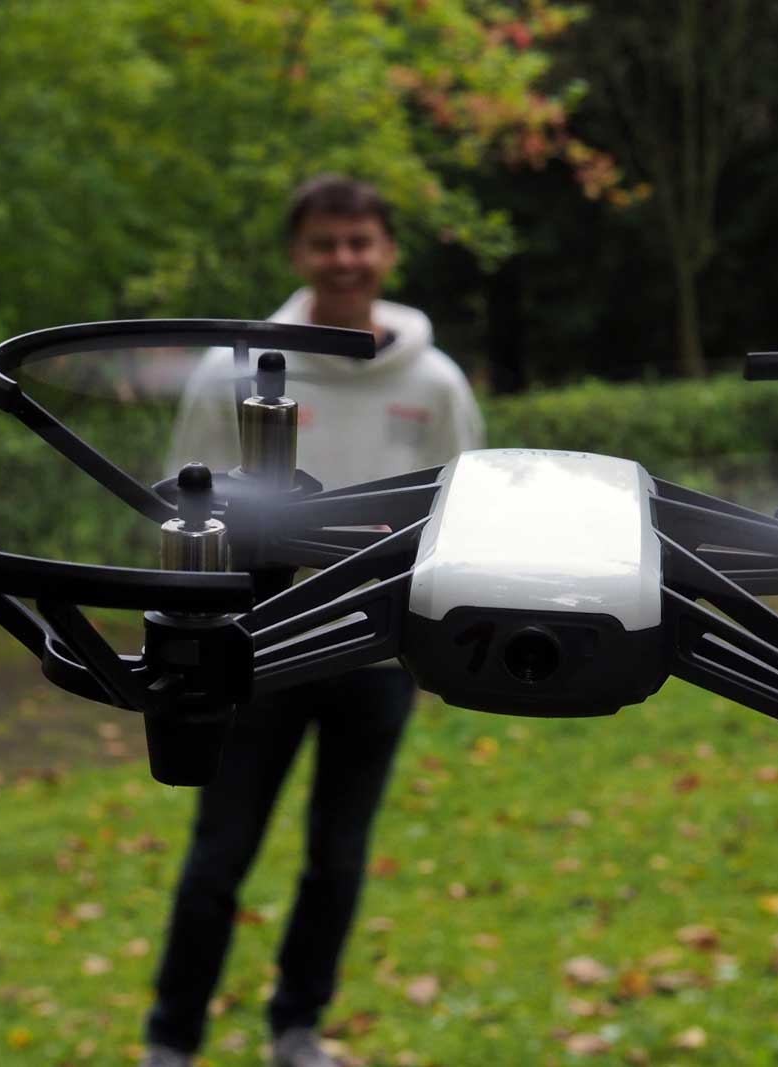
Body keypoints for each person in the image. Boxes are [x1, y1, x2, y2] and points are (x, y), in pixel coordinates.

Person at [142, 175, 484, 1067]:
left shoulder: (434, 382)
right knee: (220, 853)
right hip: (252, 650)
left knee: (338, 856)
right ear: (298, 254)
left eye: (360, 241)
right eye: (325, 242)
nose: (344, 259)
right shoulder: (235, 373)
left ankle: (297, 1029)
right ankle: (171, 1039)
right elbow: (184, 504)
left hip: (378, 654)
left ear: (388, 252)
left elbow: (467, 511)